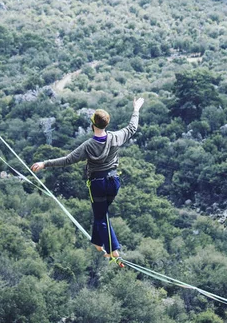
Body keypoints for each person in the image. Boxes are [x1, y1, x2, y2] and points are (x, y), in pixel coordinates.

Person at [31, 97, 144, 262]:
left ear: (92, 125)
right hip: (114, 182)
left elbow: (68, 159)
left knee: (101, 216)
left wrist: (44, 163)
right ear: (107, 124)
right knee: (100, 212)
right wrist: (136, 109)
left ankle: (113, 250)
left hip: (98, 183)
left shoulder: (88, 145)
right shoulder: (116, 137)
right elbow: (132, 127)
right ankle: (98, 242)